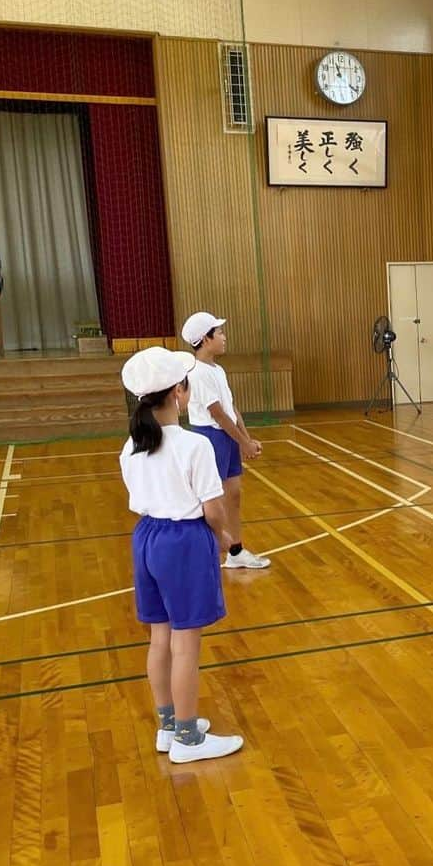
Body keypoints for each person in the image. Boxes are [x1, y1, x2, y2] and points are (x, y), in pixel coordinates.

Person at [120, 347, 245, 764]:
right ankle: (189, 740)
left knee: (160, 637)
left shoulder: (131, 447)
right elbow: (212, 510)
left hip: (147, 539)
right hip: (184, 542)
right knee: (186, 643)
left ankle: (168, 726)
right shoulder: (193, 446)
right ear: (179, 392)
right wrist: (226, 538)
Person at [181, 311, 271, 570]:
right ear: (205, 339)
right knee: (211, 500)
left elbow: (231, 408)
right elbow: (217, 413)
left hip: (227, 436)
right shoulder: (197, 372)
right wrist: (242, 442)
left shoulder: (217, 369)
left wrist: (246, 438)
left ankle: (236, 550)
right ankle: (206, 549)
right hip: (211, 437)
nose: (224, 337)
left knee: (233, 494)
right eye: (219, 333)